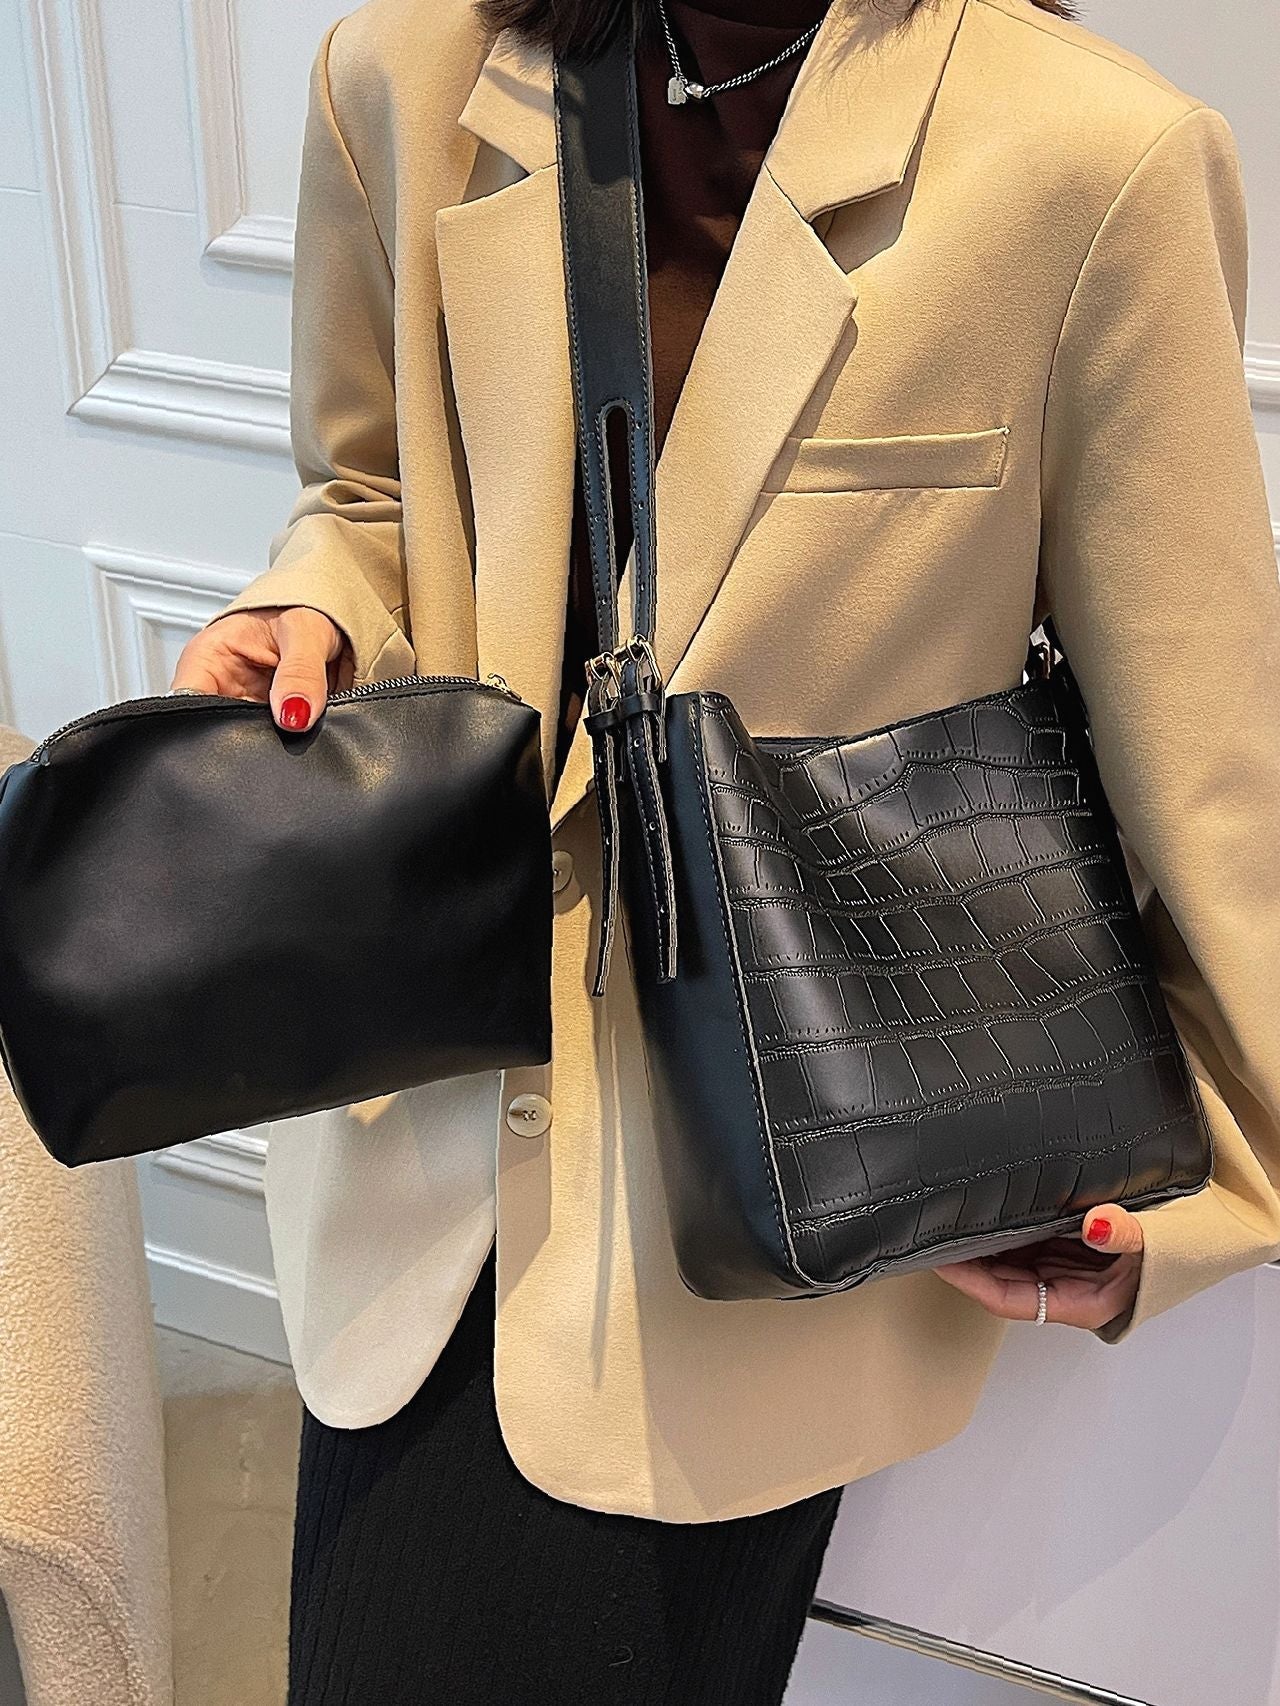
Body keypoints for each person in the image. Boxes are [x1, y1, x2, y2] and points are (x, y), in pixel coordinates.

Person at [171, 0, 1280, 1699]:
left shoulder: (1088, 160)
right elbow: (366, 490)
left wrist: (1202, 1183)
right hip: (420, 1166)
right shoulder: (405, 74)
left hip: (762, 1228)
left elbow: (1207, 743)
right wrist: (311, 606)